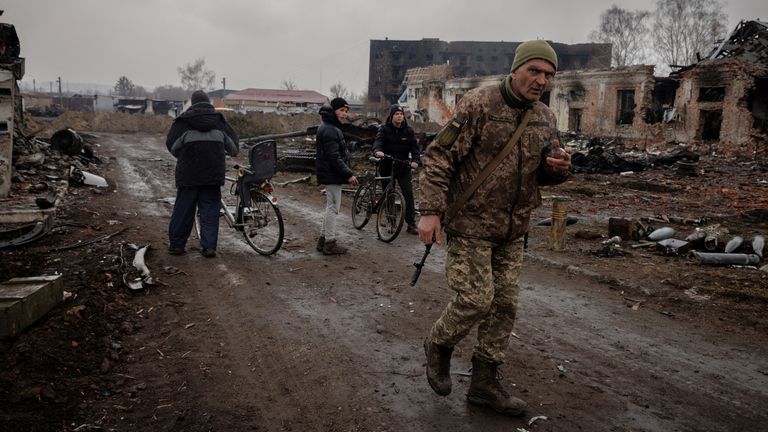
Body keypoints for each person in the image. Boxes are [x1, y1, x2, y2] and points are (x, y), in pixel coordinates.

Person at [417, 40, 572, 416]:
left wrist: (558, 168)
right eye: (534, 70)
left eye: (548, 74)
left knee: (504, 306)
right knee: (475, 300)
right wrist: (431, 211)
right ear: (516, 69)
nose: (541, 80)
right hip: (471, 222)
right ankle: (438, 343)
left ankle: (485, 383)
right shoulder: (478, 104)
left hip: (513, 228)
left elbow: (543, 174)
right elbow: (440, 156)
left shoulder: (545, 118)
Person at [166, 90, 239, 258]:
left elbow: (172, 147)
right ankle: (209, 248)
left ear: (192, 103)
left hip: (188, 175)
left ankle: (177, 246)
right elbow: (234, 149)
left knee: (183, 210)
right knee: (210, 212)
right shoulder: (220, 122)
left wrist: (185, 157)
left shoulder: (183, 122)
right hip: (213, 175)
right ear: (208, 102)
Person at [315, 97, 358, 255]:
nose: (343, 114)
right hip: (331, 174)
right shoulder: (330, 130)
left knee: (330, 207)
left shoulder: (328, 127)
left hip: (330, 173)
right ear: (333, 110)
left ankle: (323, 240)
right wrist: (348, 174)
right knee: (333, 208)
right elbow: (334, 157)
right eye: (341, 110)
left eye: (345, 111)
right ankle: (330, 243)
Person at [372, 104, 420, 234]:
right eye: (396, 114)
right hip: (387, 165)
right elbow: (378, 142)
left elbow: (415, 148)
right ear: (391, 116)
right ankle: (391, 221)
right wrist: (378, 151)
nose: (399, 116)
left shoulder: (408, 131)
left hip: (403, 166)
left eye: (401, 114)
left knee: (408, 194)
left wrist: (415, 161)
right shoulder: (384, 129)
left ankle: (411, 224)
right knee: (389, 194)